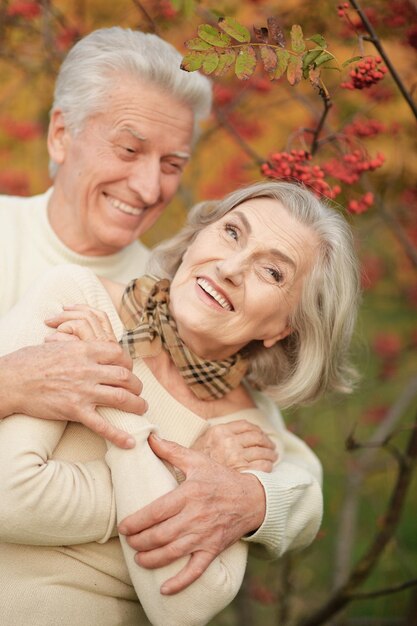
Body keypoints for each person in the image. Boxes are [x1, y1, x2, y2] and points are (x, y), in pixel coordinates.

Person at [0, 27, 323, 592]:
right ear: (59, 134)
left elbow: (302, 482)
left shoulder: (179, 299)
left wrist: (250, 499)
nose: (149, 186)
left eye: (172, 164)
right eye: (128, 149)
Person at [0, 181, 360, 625]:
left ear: (284, 327)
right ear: (197, 237)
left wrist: (118, 413)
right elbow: (9, 497)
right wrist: (175, 478)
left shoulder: (251, 431)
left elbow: (182, 608)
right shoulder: (79, 303)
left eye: (273, 272)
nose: (231, 267)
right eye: (232, 233)